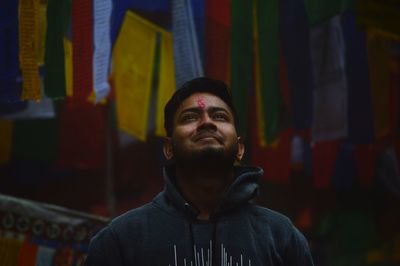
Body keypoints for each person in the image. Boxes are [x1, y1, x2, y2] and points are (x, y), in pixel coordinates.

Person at [85, 77, 314, 266]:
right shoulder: (122, 239)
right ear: (168, 149)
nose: (206, 122)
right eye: (190, 117)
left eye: (220, 116)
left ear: (240, 149)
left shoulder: (281, 237)